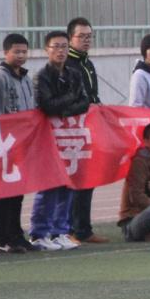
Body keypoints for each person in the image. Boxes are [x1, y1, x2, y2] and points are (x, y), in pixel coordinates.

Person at [30, 31, 91, 250]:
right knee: (49, 185)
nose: (61, 51)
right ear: (46, 49)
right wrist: (70, 100)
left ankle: (60, 231)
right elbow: (48, 106)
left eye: (64, 46)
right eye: (56, 46)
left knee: (68, 183)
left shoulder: (74, 74)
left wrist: (65, 108)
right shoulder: (42, 76)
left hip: (70, 136)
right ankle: (39, 233)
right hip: (49, 137)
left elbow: (85, 102)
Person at [0, 33, 37, 254]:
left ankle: (16, 234)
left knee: (18, 191)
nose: (20, 55)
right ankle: (4, 237)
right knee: (5, 191)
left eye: (24, 51)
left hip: (23, 141)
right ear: (6, 52)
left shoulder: (26, 78)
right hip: (6, 141)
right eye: (16, 51)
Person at [65, 18, 105, 244]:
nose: (86, 40)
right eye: (81, 36)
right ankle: (71, 228)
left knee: (89, 178)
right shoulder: (68, 64)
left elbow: (92, 95)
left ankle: (83, 228)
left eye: (89, 36)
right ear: (70, 38)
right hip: (73, 131)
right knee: (74, 180)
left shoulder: (87, 63)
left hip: (89, 128)